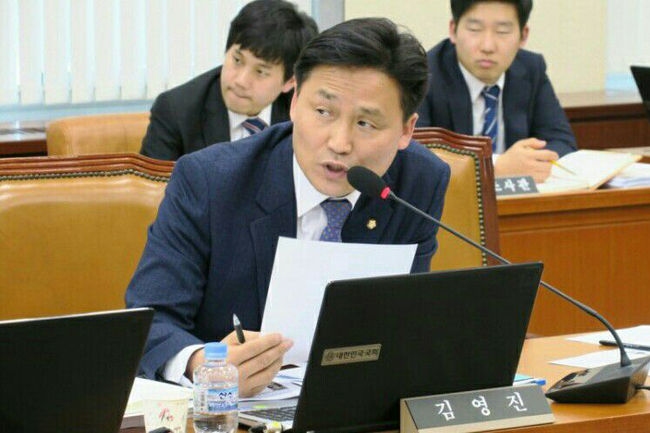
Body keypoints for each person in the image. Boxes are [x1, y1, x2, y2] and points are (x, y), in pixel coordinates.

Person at [126, 17, 450, 397]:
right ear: (294, 102)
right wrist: (205, 365)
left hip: (352, 403)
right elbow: (151, 321)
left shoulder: (418, 183)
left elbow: (403, 322)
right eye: (323, 112)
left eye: (365, 123)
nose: (339, 143)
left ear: (407, 130)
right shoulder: (210, 181)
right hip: (229, 409)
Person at [417, 0, 576, 182]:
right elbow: (417, 159)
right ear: (453, 30)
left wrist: (528, 162)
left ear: (523, 36)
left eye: (502, 31)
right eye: (475, 29)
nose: (488, 46)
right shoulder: (423, 75)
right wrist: (494, 167)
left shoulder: (531, 69)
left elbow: (563, 143)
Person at [140, 0, 318, 160]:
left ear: (290, 82)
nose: (241, 81)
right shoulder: (176, 111)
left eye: (260, 71)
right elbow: (152, 185)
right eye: (237, 60)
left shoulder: (304, 114)